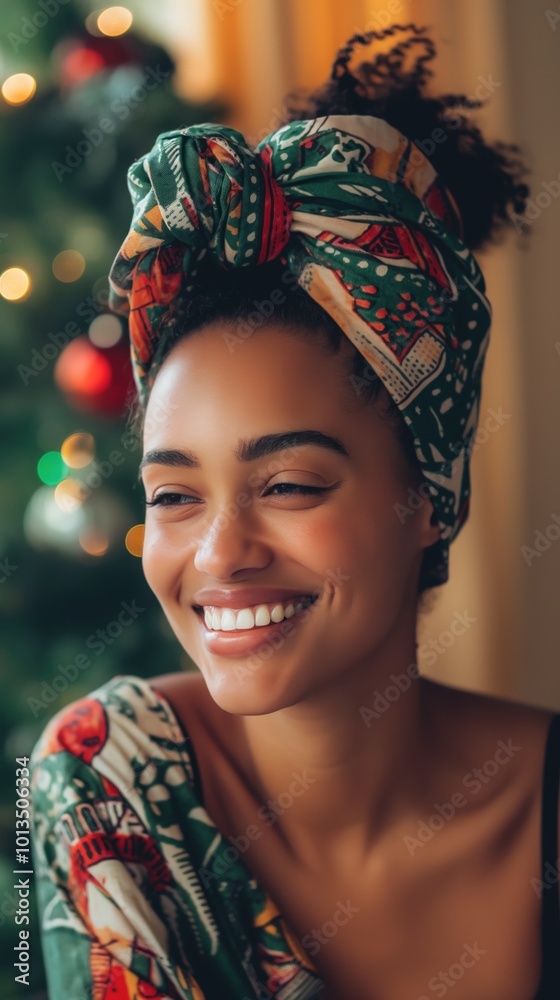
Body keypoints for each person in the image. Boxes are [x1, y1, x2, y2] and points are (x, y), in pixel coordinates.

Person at [30, 24, 559, 1000]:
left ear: (424, 499)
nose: (218, 553)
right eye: (174, 495)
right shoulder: (109, 780)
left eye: (287, 485)